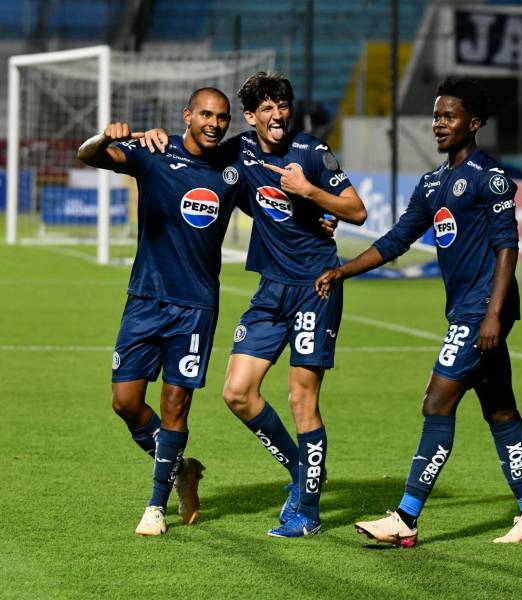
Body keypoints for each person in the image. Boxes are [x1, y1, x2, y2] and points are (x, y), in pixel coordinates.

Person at [315, 76, 522, 547]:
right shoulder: (432, 183)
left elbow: (508, 248)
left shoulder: (491, 178)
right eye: (437, 116)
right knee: (500, 411)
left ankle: (406, 517)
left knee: (436, 402)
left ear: (474, 123)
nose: (439, 124)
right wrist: (344, 270)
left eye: (449, 116)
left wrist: (491, 316)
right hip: (467, 310)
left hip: (481, 312)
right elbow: (396, 240)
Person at [77, 88, 241, 536]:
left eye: (222, 117)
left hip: (196, 306)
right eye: (205, 114)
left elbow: (271, 206)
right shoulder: (154, 150)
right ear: (187, 115)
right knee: (125, 402)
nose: (214, 123)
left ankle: (155, 506)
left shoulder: (232, 170)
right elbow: (90, 155)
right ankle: (182, 468)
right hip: (145, 299)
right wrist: (104, 135)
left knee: (174, 405)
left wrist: (318, 218)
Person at [218, 72, 367, 538]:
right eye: (266, 107)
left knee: (302, 398)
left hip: (315, 287)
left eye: (282, 105)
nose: (277, 114)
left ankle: (307, 513)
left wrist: (310, 194)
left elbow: (357, 211)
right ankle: (304, 472)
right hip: (270, 289)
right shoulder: (240, 151)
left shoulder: (312, 154)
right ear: (250, 116)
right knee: (237, 393)